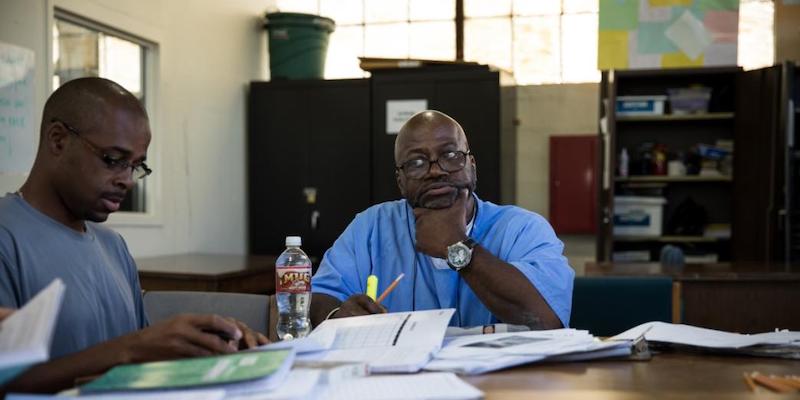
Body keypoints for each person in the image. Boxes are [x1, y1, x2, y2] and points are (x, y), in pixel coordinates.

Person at [0, 78, 267, 393]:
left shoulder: (113, 246)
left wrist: (209, 345)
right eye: (113, 160)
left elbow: (139, 360)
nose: (128, 180)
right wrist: (131, 349)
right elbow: (8, 380)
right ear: (58, 140)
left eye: (137, 166)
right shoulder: (8, 236)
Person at [310, 110, 574, 329]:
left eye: (450, 156)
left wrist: (456, 245)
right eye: (416, 162)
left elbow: (548, 319)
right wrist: (337, 316)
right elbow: (320, 296)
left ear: (472, 166)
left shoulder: (522, 229)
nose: (435, 171)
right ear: (400, 181)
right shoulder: (371, 228)